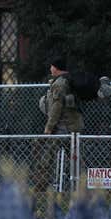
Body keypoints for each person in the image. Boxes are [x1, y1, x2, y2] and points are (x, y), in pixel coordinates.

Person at [33, 57, 83, 192]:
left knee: (46, 157)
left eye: (51, 66)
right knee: (76, 158)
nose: (50, 69)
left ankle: (41, 186)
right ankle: (83, 185)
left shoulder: (60, 84)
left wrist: (48, 128)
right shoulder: (67, 81)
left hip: (61, 128)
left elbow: (56, 108)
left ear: (56, 68)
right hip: (71, 127)